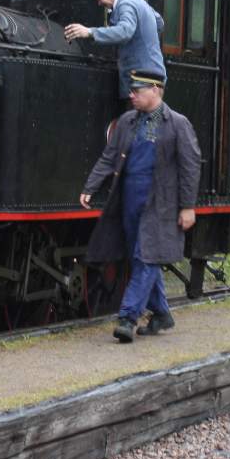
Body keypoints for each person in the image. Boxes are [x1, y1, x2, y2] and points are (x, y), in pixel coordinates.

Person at [80, 70, 201, 343]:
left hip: (160, 205)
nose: (131, 95)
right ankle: (162, 313)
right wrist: (90, 187)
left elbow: (191, 167)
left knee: (146, 258)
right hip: (130, 202)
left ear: (156, 90)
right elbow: (109, 157)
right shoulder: (127, 121)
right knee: (141, 257)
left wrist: (188, 207)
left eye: (137, 90)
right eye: (131, 90)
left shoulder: (178, 124)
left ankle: (128, 317)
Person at [63, 0, 167, 98]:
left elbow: (125, 31)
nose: (99, 3)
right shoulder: (137, 0)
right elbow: (159, 22)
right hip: (153, 78)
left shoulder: (126, 4)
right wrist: (143, 45)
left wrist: (90, 32)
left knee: (136, 111)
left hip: (141, 81)